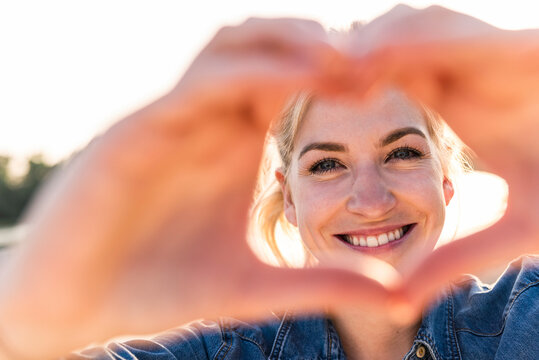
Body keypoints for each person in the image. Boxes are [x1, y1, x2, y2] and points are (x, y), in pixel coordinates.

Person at [0, 4, 537, 359]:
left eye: (402, 153)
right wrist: (26, 322)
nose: (371, 200)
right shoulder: (221, 351)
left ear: (446, 179)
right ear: (289, 198)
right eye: (327, 164)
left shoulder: (521, 321)